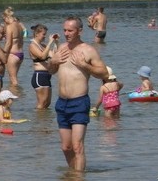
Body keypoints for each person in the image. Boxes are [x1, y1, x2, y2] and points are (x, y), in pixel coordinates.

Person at [48, 15, 109, 172]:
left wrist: (84, 65)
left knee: (77, 146)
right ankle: (73, 175)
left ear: (79, 31)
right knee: (66, 147)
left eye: (70, 30)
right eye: (65, 30)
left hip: (79, 102)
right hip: (62, 103)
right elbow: (51, 71)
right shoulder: (61, 49)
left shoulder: (88, 50)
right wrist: (52, 62)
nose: (67, 33)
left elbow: (103, 74)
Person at [29, 24, 59, 109]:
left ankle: (44, 121)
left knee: (47, 103)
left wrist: (56, 43)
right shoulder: (32, 45)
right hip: (39, 76)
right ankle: (38, 120)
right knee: (42, 103)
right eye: (43, 34)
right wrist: (50, 42)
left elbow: (54, 56)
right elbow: (42, 56)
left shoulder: (44, 46)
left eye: (46, 34)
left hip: (47, 76)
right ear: (37, 34)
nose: (45, 36)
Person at [2, 7, 24, 87]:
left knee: (13, 79)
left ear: (6, 17)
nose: (4, 22)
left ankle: (17, 96)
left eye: (3, 19)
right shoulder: (19, 25)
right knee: (14, 78)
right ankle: (16, 95)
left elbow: (8, 44)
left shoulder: (10, 27)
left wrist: (3, 55)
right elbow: (22, 41)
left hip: (13, 54)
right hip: (20, 54)